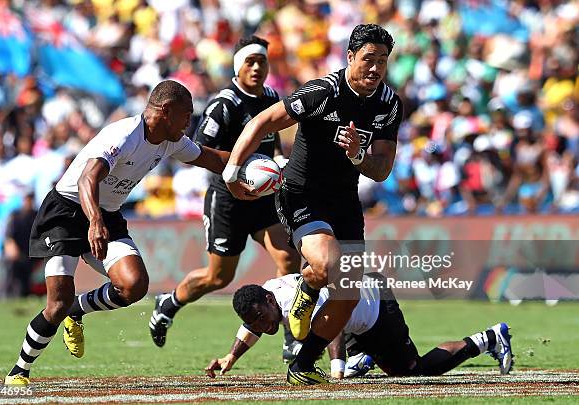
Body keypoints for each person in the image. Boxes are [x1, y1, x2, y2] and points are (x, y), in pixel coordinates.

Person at [4, 80, 230, 386]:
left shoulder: (171, 140)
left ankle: (77, 309)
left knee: (134, 285)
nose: (191, 121)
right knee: (55, 304)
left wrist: (260, 165)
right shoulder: (123, 134)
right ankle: (19, 369)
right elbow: (87, 179)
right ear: (165, 111)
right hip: (68, 211)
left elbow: (212, 158)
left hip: (105, 214)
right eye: (187, 114)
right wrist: (94, 221)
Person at [223, 24, 402, 384]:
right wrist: (231, 171)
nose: (375, 68)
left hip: (345, 202)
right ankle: (308, 286)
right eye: (368, 58)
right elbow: (262, 121)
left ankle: (302, 365)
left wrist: (358, 157)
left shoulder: (389, 104)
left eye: (382, 61)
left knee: (347, 294)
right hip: (302, 195)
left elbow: (382, 169)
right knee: (327, 263)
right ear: (350, 57)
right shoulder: (324, 92)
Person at [149, 36, 301, 362]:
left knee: (288, 260)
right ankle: (169, 302)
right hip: (228, 199)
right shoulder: (225, 104)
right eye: (250, 61)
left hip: (261, 199)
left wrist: (277, 163)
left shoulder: (272, 97)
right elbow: (198, 150)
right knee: (219, 277)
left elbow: (272, 145)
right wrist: (238, 171)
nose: (257, 67)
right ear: (237, 66)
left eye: (262, 61)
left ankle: (291, 334)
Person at [205, 274, 514, 382]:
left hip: (374, 307)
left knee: (411, 372)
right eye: (255, 321)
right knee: (318, 340)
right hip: (353, 311)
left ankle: (488, 339)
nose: (263, 326)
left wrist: (336, 371)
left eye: (262, 317)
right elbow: (253, 326)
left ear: (271, 300)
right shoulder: (266, 297)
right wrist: (231, 357)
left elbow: (331, 324)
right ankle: (359, 359)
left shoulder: (291, 302)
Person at [3, 192, 39, 297]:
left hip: (30, 253)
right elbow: (9, 237)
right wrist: (13, 251)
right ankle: (5, 295)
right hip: (16, 252)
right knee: (11, 268)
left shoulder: (36, 215)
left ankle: (25, 294)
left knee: (26, 279)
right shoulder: (16, 215)